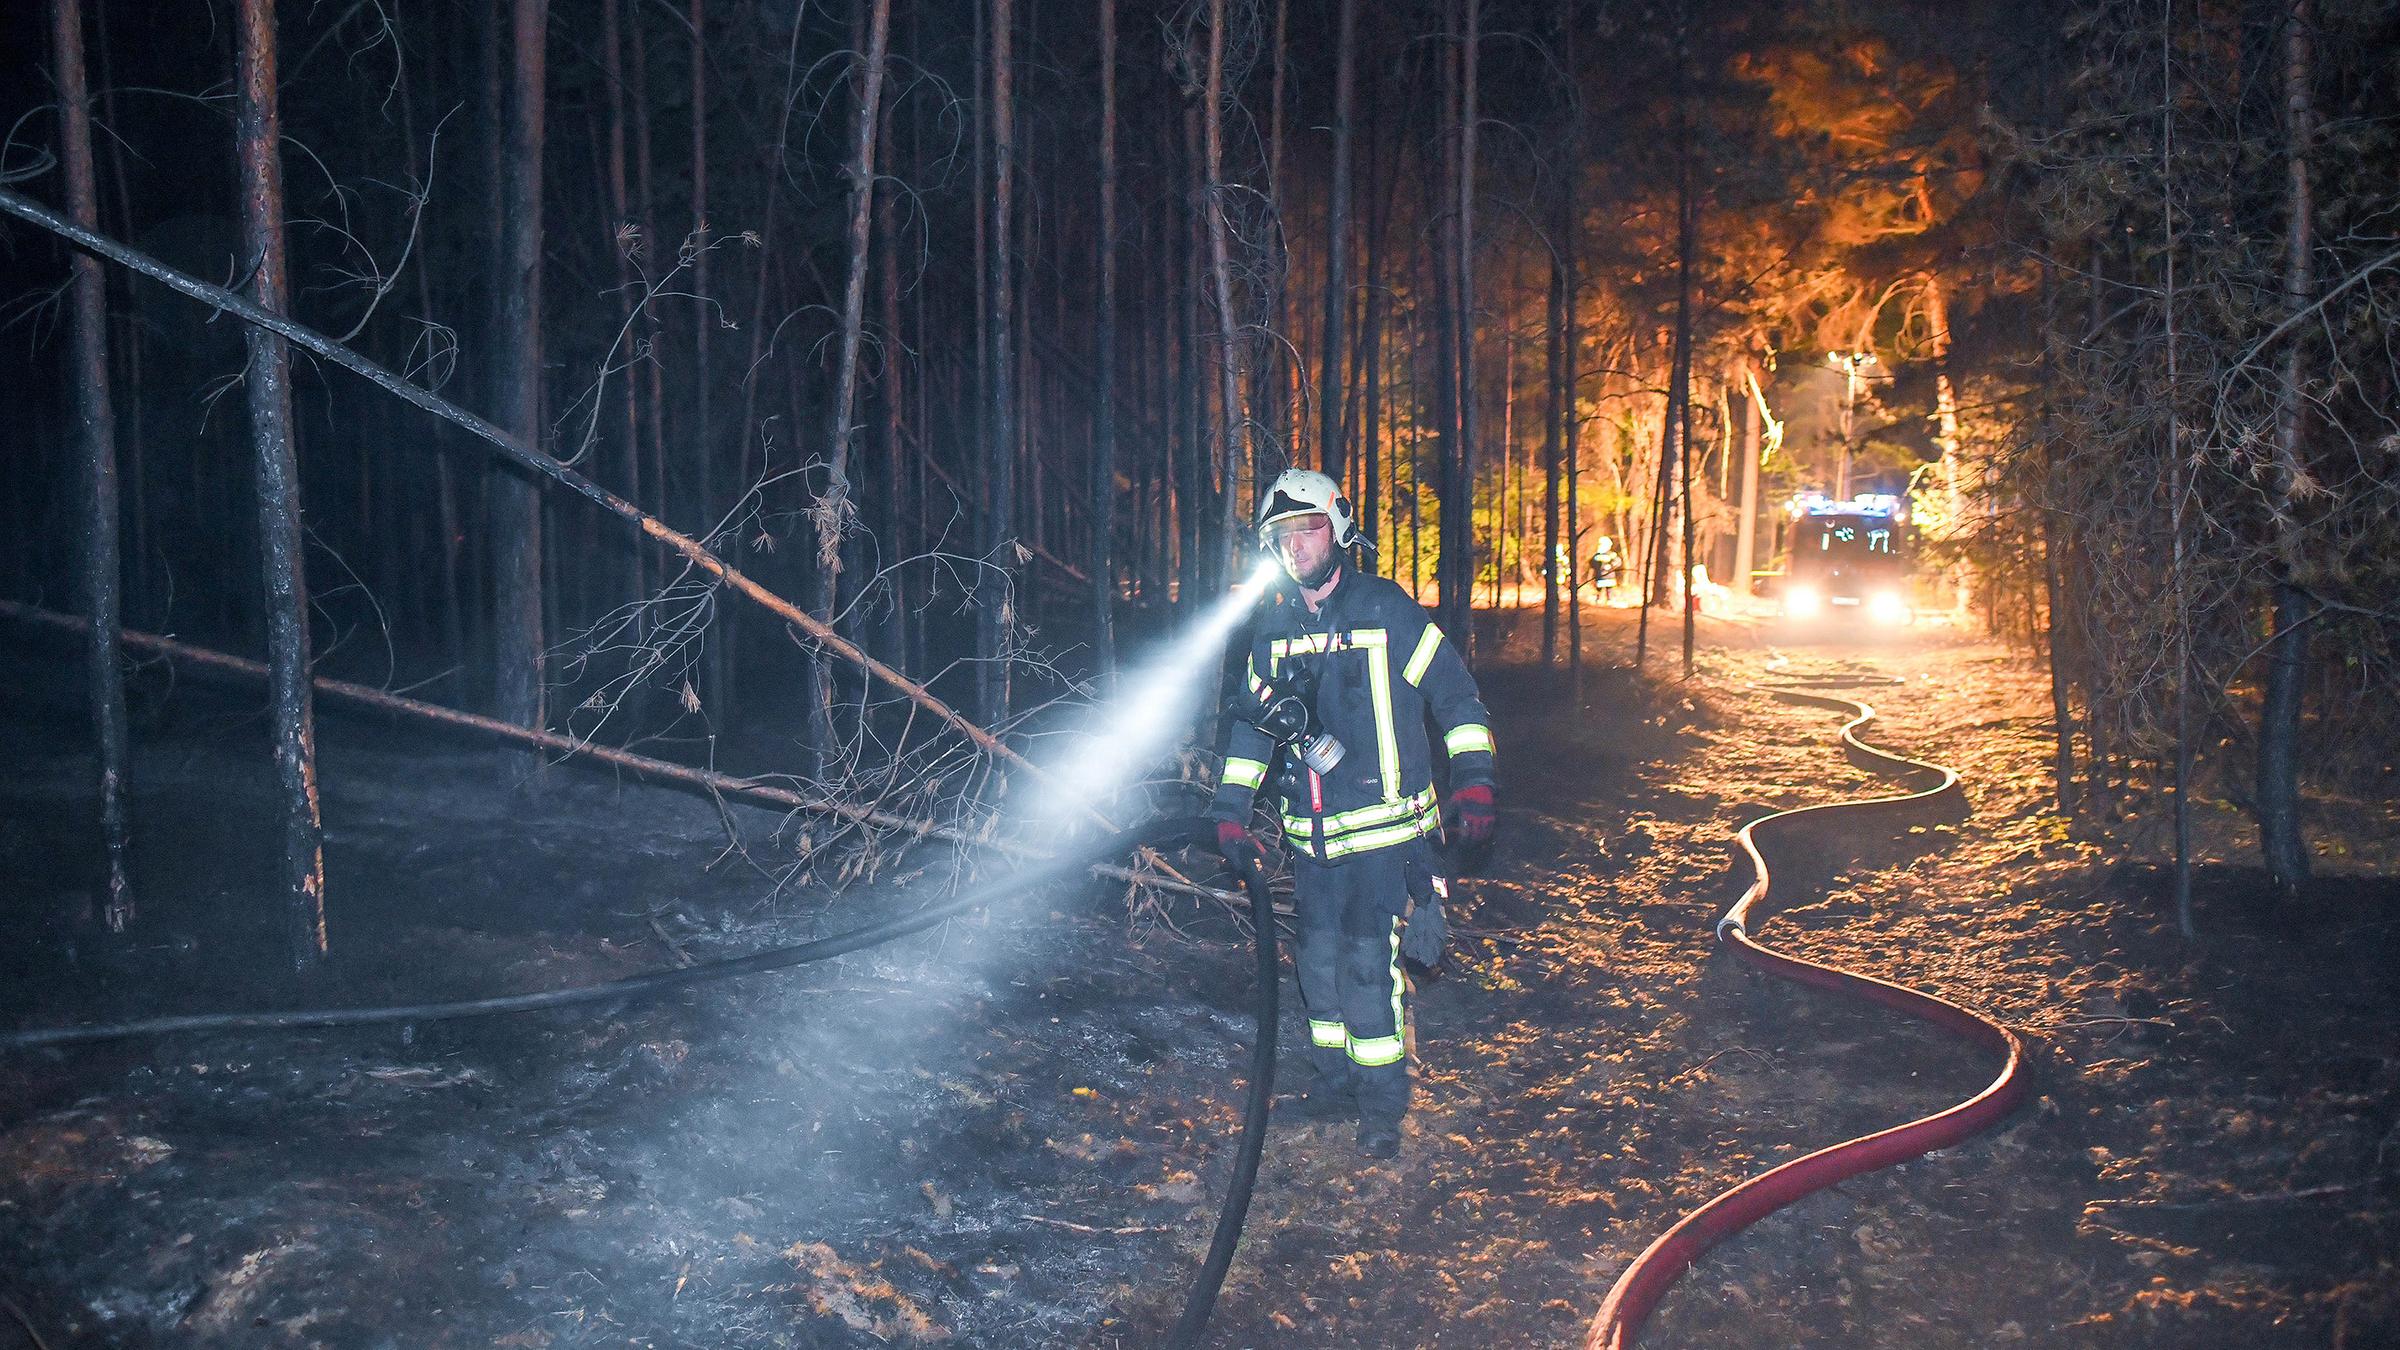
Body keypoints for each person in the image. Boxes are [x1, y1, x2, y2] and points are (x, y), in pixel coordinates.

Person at [1210, 469, 1498, 1160]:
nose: (1294, 545)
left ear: (1338, 528)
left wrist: (1475, 780)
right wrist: (1229, 811)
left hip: (1388, 837)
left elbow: (1456, 696)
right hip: (1313, 845)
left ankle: (1381, 1107)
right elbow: (1252, 729)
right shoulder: (1273, 628)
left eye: (1307, 529)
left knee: (1369, 971)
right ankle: (1334, 1086)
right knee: (1317, 970)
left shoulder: (1384, 609)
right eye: (1281, 534)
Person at [1589, 535, 1622, 604]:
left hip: (1609, 576)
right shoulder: (1597, 555)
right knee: (1599, 589)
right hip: (1599, 576)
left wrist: (1611, 566)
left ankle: (1609, 600)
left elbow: (1618, 562)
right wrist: (1596, 566)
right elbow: (1592, 563)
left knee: (1609, 589)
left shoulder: (1611, 554)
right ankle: (1598, 600)